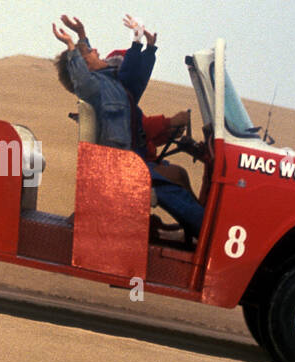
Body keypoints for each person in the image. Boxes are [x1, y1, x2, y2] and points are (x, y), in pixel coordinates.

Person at [52, 14, 204, 241]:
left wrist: (83, 35)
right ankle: (207, 234)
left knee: (175, 180)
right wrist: (72, 47)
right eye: (90, 52)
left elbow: (133, 73)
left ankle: (195, 231)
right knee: (173, 192)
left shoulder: (112, 83)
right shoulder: (95, 88)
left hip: (131, 161)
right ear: (84, 65)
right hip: (121, 166)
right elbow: (83, 78)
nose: (96, 51)